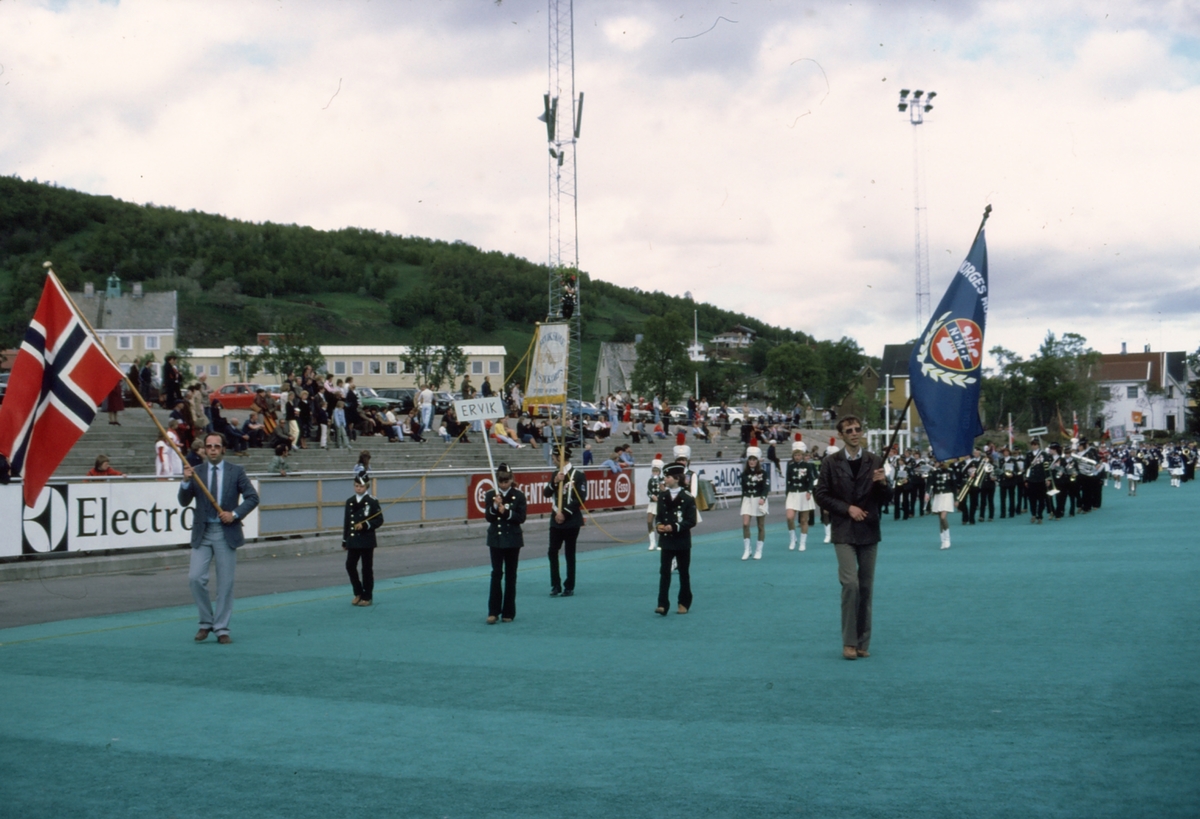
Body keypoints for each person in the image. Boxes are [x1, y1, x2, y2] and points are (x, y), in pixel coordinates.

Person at [813, 416, 891, 661]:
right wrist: (847, 508)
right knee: (851, 585)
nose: (855, 433)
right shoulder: (830, 463)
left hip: (869, 530)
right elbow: (821, 495)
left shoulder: (876, 461)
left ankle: (862, 642)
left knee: (866, 588)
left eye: (858, 429)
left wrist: (884, 483)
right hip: (844, 530)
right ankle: (848, 642)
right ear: (842, 435)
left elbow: (886, 498)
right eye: (849, 430)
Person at [179, 432, 260, 645]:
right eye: (209, 446)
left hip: (226, 533)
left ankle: (221, 628)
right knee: (195, 578)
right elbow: (183, 501)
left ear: (223, 449)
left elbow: (253, 497)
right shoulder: (196, 472)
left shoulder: (237, 471)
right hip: (203, 533)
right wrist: (186, 481)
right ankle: (206, 622)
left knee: (225, 584)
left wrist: (234, 514)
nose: (212, 449)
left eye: (216, 446)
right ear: (204, 449)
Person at [485, 463, 527, 624]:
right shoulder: (491, 495)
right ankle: (493, 611)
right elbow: (488, 517)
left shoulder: (519, 495)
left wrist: (506, 512)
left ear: (511, 479)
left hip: (512, 540)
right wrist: (495, 506)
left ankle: (508, 612)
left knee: (511, 576)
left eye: (506, 481)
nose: (503, 484)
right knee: (496, 574)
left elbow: (521, 517)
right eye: (501, 481)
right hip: (496, 539)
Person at [655, 462, 698, 616]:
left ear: (676, 478)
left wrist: (674, 527)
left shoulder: (687, 498)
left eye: (667, 477)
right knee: (664, 572)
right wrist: (659, 525)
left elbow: (691, 521)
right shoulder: (663, 496)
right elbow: (659, 516)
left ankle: (684, 601)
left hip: (681, 540)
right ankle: (662, 603)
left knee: (683, 572)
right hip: (666, 540)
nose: (665, 480)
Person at [544, 447, 587, 597]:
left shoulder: (578, 475)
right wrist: (554, 482)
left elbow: (581, 497)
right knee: (552, 551)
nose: (553, 460)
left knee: (570, 552)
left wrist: (565, 513)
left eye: (554, 458)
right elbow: (546, 493)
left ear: (560, 458)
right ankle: (555, 584)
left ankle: (569, 585)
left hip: (571, 520)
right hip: (555, 520)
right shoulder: (556, 474)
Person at [343, 474, 383, 606]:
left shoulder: (372, 501)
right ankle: (358, 592)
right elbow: (347, 522)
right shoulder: (350, 501)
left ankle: (367, 596)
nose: (358, 488)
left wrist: (365, 525)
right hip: (354, 540)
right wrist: (345, 540)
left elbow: (379, 520)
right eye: (356, 486)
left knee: (366, 569)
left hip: (366, 540)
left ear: (366, 486)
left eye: (361, 486)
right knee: (350, 566)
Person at [784, 438, 818, 552]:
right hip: (793, 493)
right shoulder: (790, 466)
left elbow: (810, 480)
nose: (797, 457)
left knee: (804, 520)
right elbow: (787, 482)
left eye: (799, 455)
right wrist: (787, 494)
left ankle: (802, 542)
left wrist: (809, 491)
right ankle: (792, 538)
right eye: (795, 455)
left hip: (804, 493)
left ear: (802, 455)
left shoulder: (808, 466)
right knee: (789, 517)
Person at [740, 444, 769, 560]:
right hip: (747, 499)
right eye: (750, 460)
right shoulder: (744, 474)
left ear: (757, 461)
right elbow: (743, 489)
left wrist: (763, 498)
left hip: (759, 499)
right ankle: (747, 549)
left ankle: (759, 550)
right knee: (745, 524)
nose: (752, 462)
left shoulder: (763, 473)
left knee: (760, 526)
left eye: (754, 460)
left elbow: (766, 487)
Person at [926, 459, 957, 549]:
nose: (943, 464)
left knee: (943, 517)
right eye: (941, 462)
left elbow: (954, 486)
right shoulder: (935, 472)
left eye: (944, 462)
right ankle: (942, 540)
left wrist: (956, 499)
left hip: (947, 495)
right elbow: (930, 484)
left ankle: (947, 539)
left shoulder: (950, 472)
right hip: (938, 495)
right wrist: (927, 493)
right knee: (940, 519)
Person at [646, 454, 665, 550]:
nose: (655, 472)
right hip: (652, 503)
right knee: (649, 521)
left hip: (660, 503)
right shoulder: (650, 480)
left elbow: (665, 491)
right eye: (653, 471)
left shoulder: (663, 481)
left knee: (660, 523)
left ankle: (661, 542)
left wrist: (660, 496)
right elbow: (648, 491)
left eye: (657, 471)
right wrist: (652, 496)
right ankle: (652, 542)